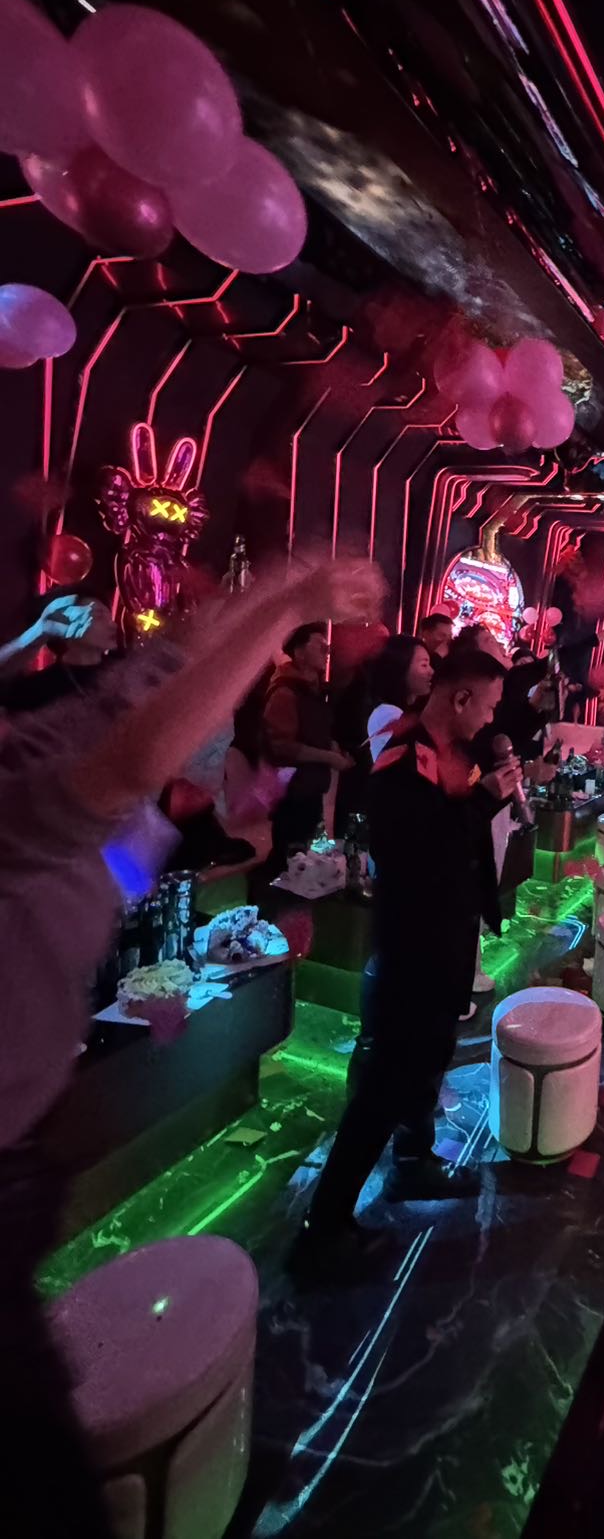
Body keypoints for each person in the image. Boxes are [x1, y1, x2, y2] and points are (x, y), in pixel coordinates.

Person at [0, 557, 385, 1539]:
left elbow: (117, 869)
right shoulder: (49, 773)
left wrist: (211, 886)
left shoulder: (103, 775)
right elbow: (125, 767)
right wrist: (288, 602)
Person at [296, 648, 521, 1264]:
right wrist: (484, 801)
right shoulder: (401, 758)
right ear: (460, 699)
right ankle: (324, 1230)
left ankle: (413, 1161)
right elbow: (416, 853)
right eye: (488, 706)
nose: (492, 719)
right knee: (385, 1087)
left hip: (447, 937)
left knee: (430, 1059)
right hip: (413, 946)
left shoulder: (456, 753)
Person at [258, 622, 352, 886]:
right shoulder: (285, 692)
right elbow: (282, 747)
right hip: (292, 790)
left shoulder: (313, 690)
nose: (327, 651)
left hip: (310, 787)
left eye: (327, 646)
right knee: (288, 856)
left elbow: (314, 730)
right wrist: (329, 758)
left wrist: (332, 746)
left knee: (303, 855)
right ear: (298, 653)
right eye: (319, 645)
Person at [0, 593, 119, 712]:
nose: (113, 625)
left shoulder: (123, 671)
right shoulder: (37, 689)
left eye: (110, 618)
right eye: (99, 617)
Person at [366, 634, 434, 761]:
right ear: (401, 667)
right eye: (424, 665)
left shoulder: (401, 712)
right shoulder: (387, 714)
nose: (431, 671)